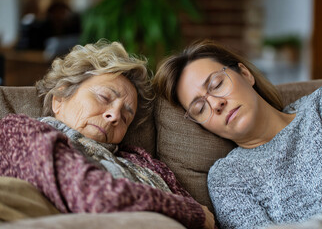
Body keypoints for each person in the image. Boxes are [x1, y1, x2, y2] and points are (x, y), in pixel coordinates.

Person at [0, 40, 214, 229]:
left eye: (125, 117)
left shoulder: (142, 161)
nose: (114, 115)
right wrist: (189, 212)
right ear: (60, 98)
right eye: (104, 97)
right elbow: (94, 196)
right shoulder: (20, 132)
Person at [153, 39, 322, 229]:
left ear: (245, 74)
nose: (216, 104)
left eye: (217, 84)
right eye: (200, 108)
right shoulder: (226, 178)